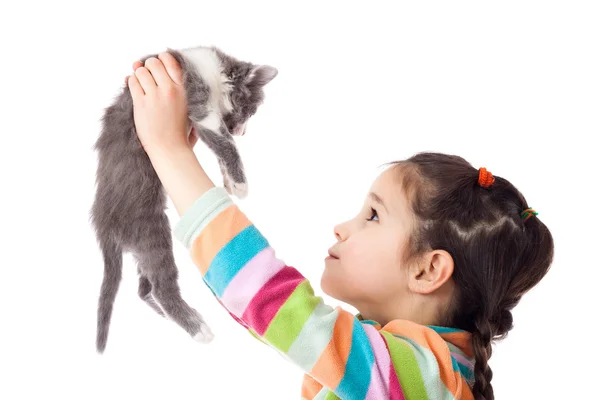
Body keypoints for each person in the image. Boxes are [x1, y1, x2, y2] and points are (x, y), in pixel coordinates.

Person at [124, 53, 554, 400]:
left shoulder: (424, 381)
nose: (341, 228)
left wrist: (170, 152)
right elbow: (264, 314)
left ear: (426, 270)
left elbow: (274, 303)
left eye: (372, 216)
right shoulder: (402, 371)